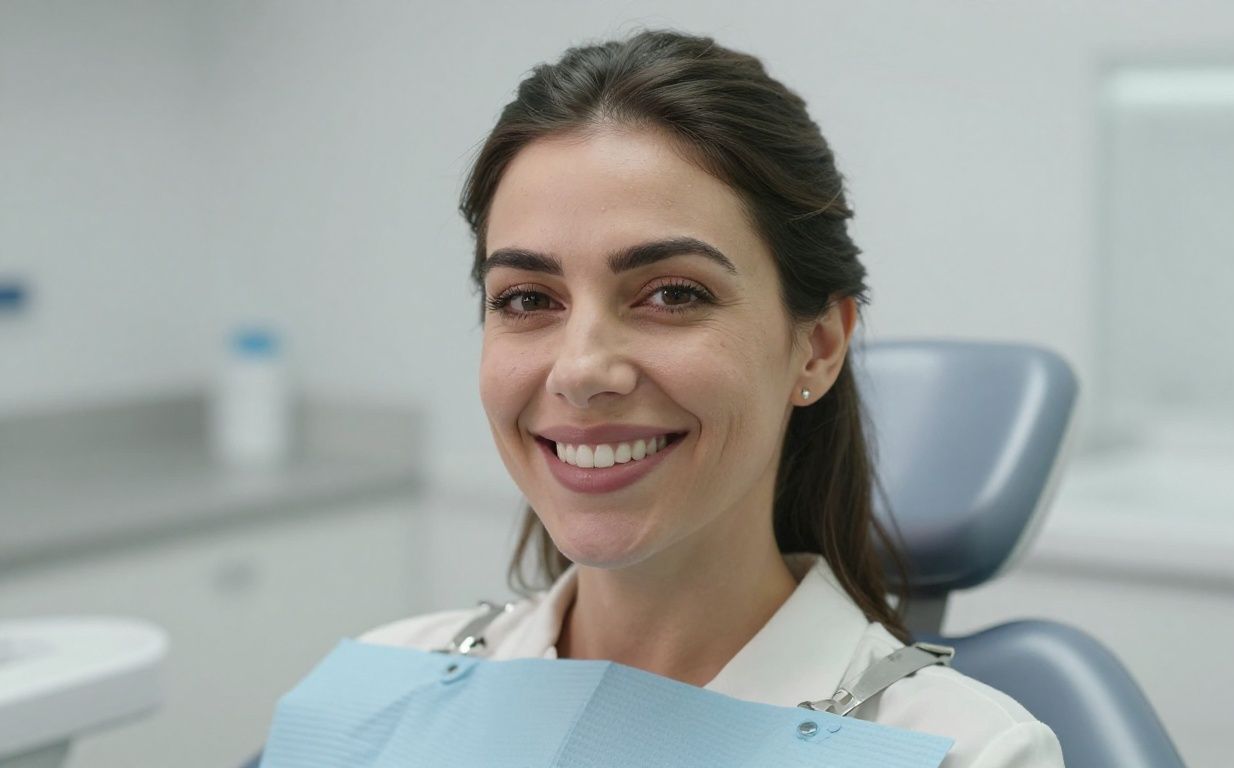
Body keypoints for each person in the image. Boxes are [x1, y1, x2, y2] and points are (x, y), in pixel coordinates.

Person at [360, 29, 1065, 768]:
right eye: (528, 298)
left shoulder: (962, 753)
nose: (580, 370)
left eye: (672, 293)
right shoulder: (387, 692)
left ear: (819, 346)